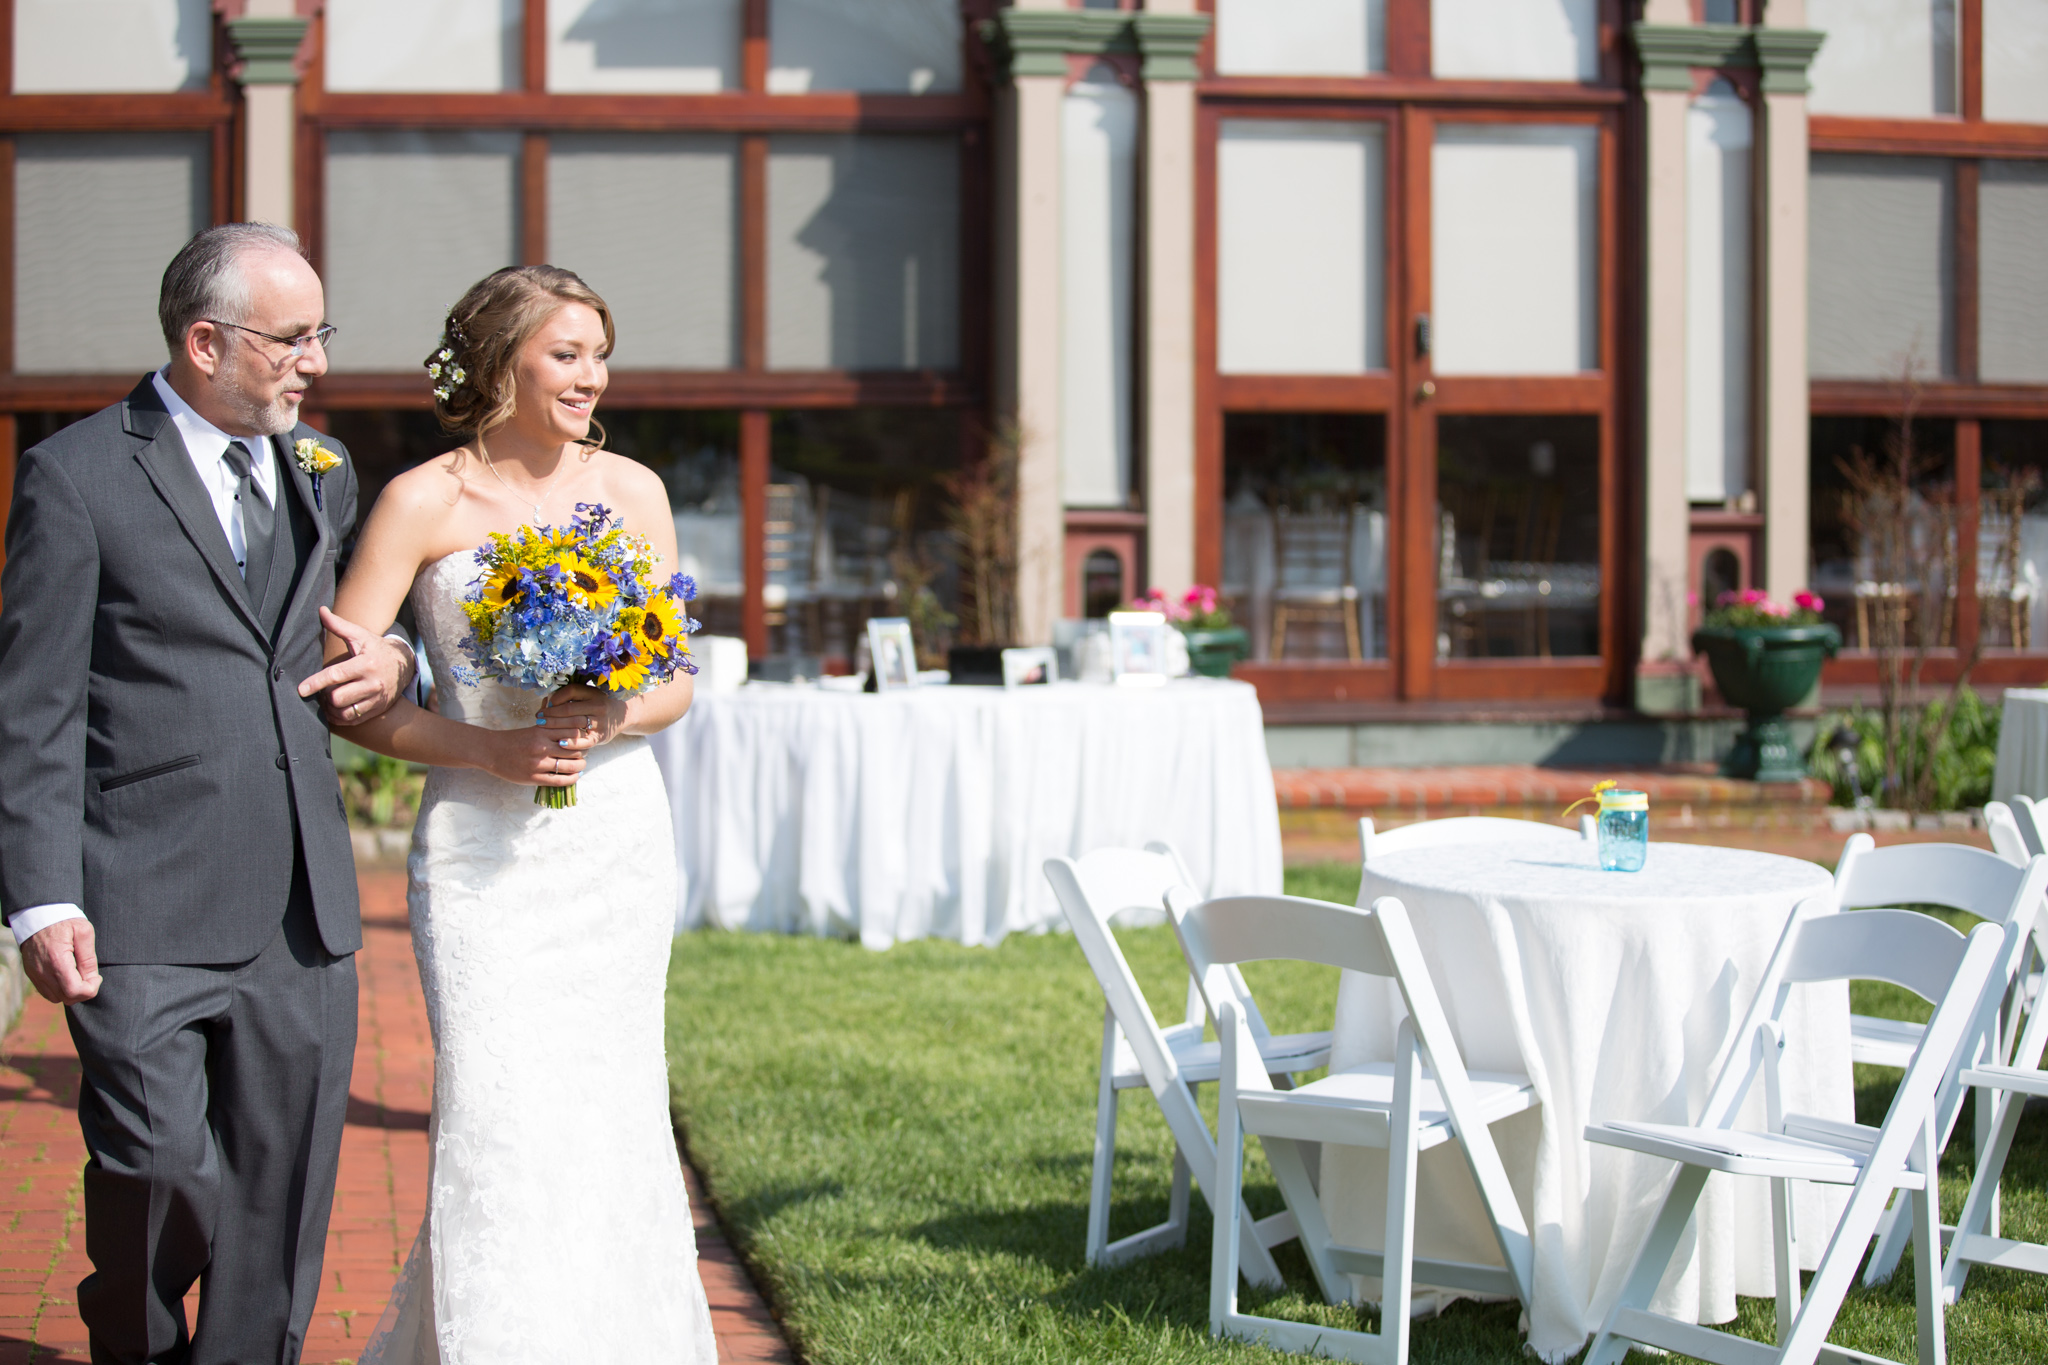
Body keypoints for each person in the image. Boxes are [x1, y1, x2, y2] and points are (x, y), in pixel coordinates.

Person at [0, 222, 416, 1363]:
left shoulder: (322, 472)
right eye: (291, 338)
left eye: (319, 334)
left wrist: (398, 667)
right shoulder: (76, 476)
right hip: (136, 897)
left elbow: (361, 643)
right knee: (158, 1169)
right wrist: (41, 898)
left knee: (279, 1201)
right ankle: (133, 1340)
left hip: (300, 903)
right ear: (202, 342)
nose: (315, 362)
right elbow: (32, 707)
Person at [328, 265, 715, 1362]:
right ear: (501, 363)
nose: (591, 376)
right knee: (497, 1117)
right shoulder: (421, 501)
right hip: (479, 849)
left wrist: (612, 705)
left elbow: (677, 684)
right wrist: (491, 748)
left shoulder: (633, 490)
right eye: (566, 354)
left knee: (613, 1109)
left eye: (599, 353)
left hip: (613, 844)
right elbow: (352, 703)